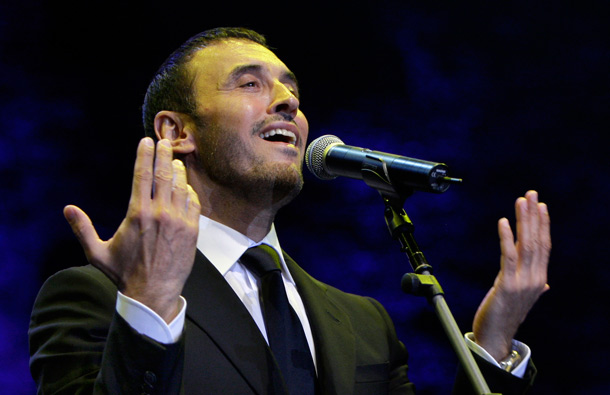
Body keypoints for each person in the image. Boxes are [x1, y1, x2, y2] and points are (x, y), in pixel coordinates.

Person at [28, 27, 551, 394]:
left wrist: (494, 340)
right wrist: (151, 301)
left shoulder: (363, 323)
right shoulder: (97, 297)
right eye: (250, 84)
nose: (287, 102)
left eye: (291, 89)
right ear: (176, 132)